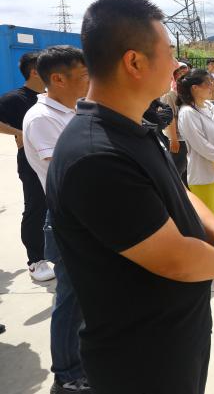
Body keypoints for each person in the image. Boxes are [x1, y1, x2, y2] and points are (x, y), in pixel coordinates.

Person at [47, 0, 214, 394]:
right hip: (141, 358)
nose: (175, 66)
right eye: (169, 53)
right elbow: (175, 258)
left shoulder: (132, 127)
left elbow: (178, 190)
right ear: (134, 62)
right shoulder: (95, 155)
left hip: (175, 338)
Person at [22, 46, 90, 393]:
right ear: (58, 79)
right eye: (84, 75)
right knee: (71, 299)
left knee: (85, 298)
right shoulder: (42, 118)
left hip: (88, 215)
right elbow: (66, 176)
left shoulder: (74, 110)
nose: (90, 80)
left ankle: (82, 363)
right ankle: (67, 374)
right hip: (69, 218)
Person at [0, 52, 54, 281]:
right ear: (34, 72)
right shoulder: (14, 99)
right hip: (31, 162)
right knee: (36, 207)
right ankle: (36, 260)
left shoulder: (50, 97)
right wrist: (19, 132)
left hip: (56, 159)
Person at [177, 69, 214, 224]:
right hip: (202, 175)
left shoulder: (210, 107)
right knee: (209, 223)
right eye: (208, 83)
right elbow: (201, 145)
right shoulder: (187, 112)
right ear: (195, 88)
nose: (212, 86)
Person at [161, 61, 190, 186]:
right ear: (174, 75)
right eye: (181, 73)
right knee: (177, 170)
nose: (184, 76)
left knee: (185, 171)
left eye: (186, 72)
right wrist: (174, 139)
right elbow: (170, 118)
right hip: (177, 138)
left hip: (185, 138)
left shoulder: (184, 93)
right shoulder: (170, 95)